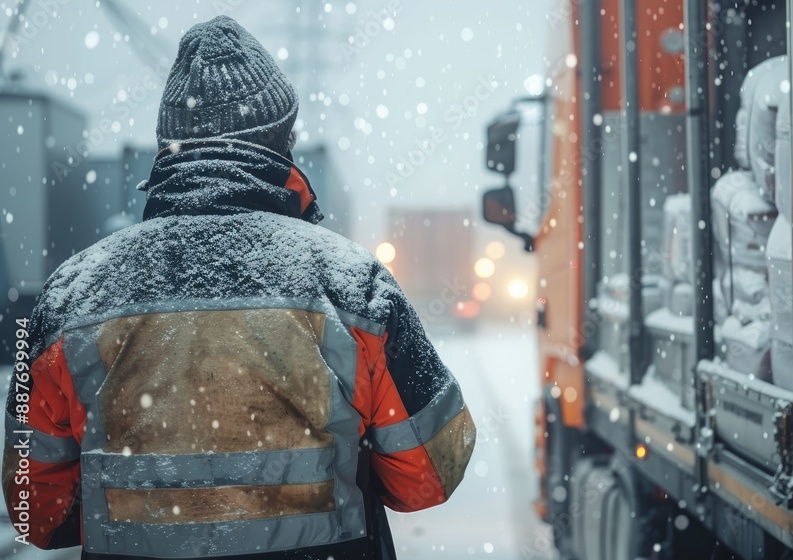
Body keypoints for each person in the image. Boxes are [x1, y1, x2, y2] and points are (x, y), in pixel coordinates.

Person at [2, 16, 475, 559]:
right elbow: (433, 471)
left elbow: (30, 505)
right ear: (283, 141)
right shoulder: (352, 287)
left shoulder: (68, 299)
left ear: (168, 148)